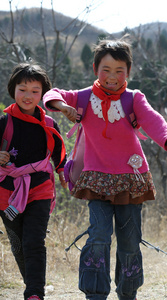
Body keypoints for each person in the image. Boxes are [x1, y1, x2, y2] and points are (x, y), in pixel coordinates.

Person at [43, 38, 167, 300]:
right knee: (98, 236)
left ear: (128, 72)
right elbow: (51, 94)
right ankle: (95, 294)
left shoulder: (133, 98)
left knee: (130, 240)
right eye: (106, 70)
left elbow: (153, 119)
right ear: (96, 69)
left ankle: (128, 293)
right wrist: (63, 108)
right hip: (96, 180)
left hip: (131, 179)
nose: (112, 77)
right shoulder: (84, 97)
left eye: (120, 71)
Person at [0, 63, 67, 300]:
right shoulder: (3, 122)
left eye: (35, 91)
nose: (28, 96)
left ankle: (34, 294)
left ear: (43, 94)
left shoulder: (49, 125)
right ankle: (33, 286)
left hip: (40, 188)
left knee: (34, 241)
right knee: (18, 244)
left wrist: (63, 174)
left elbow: (60, 155)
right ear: (13, 89)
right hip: (7, 194)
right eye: (22, 89)